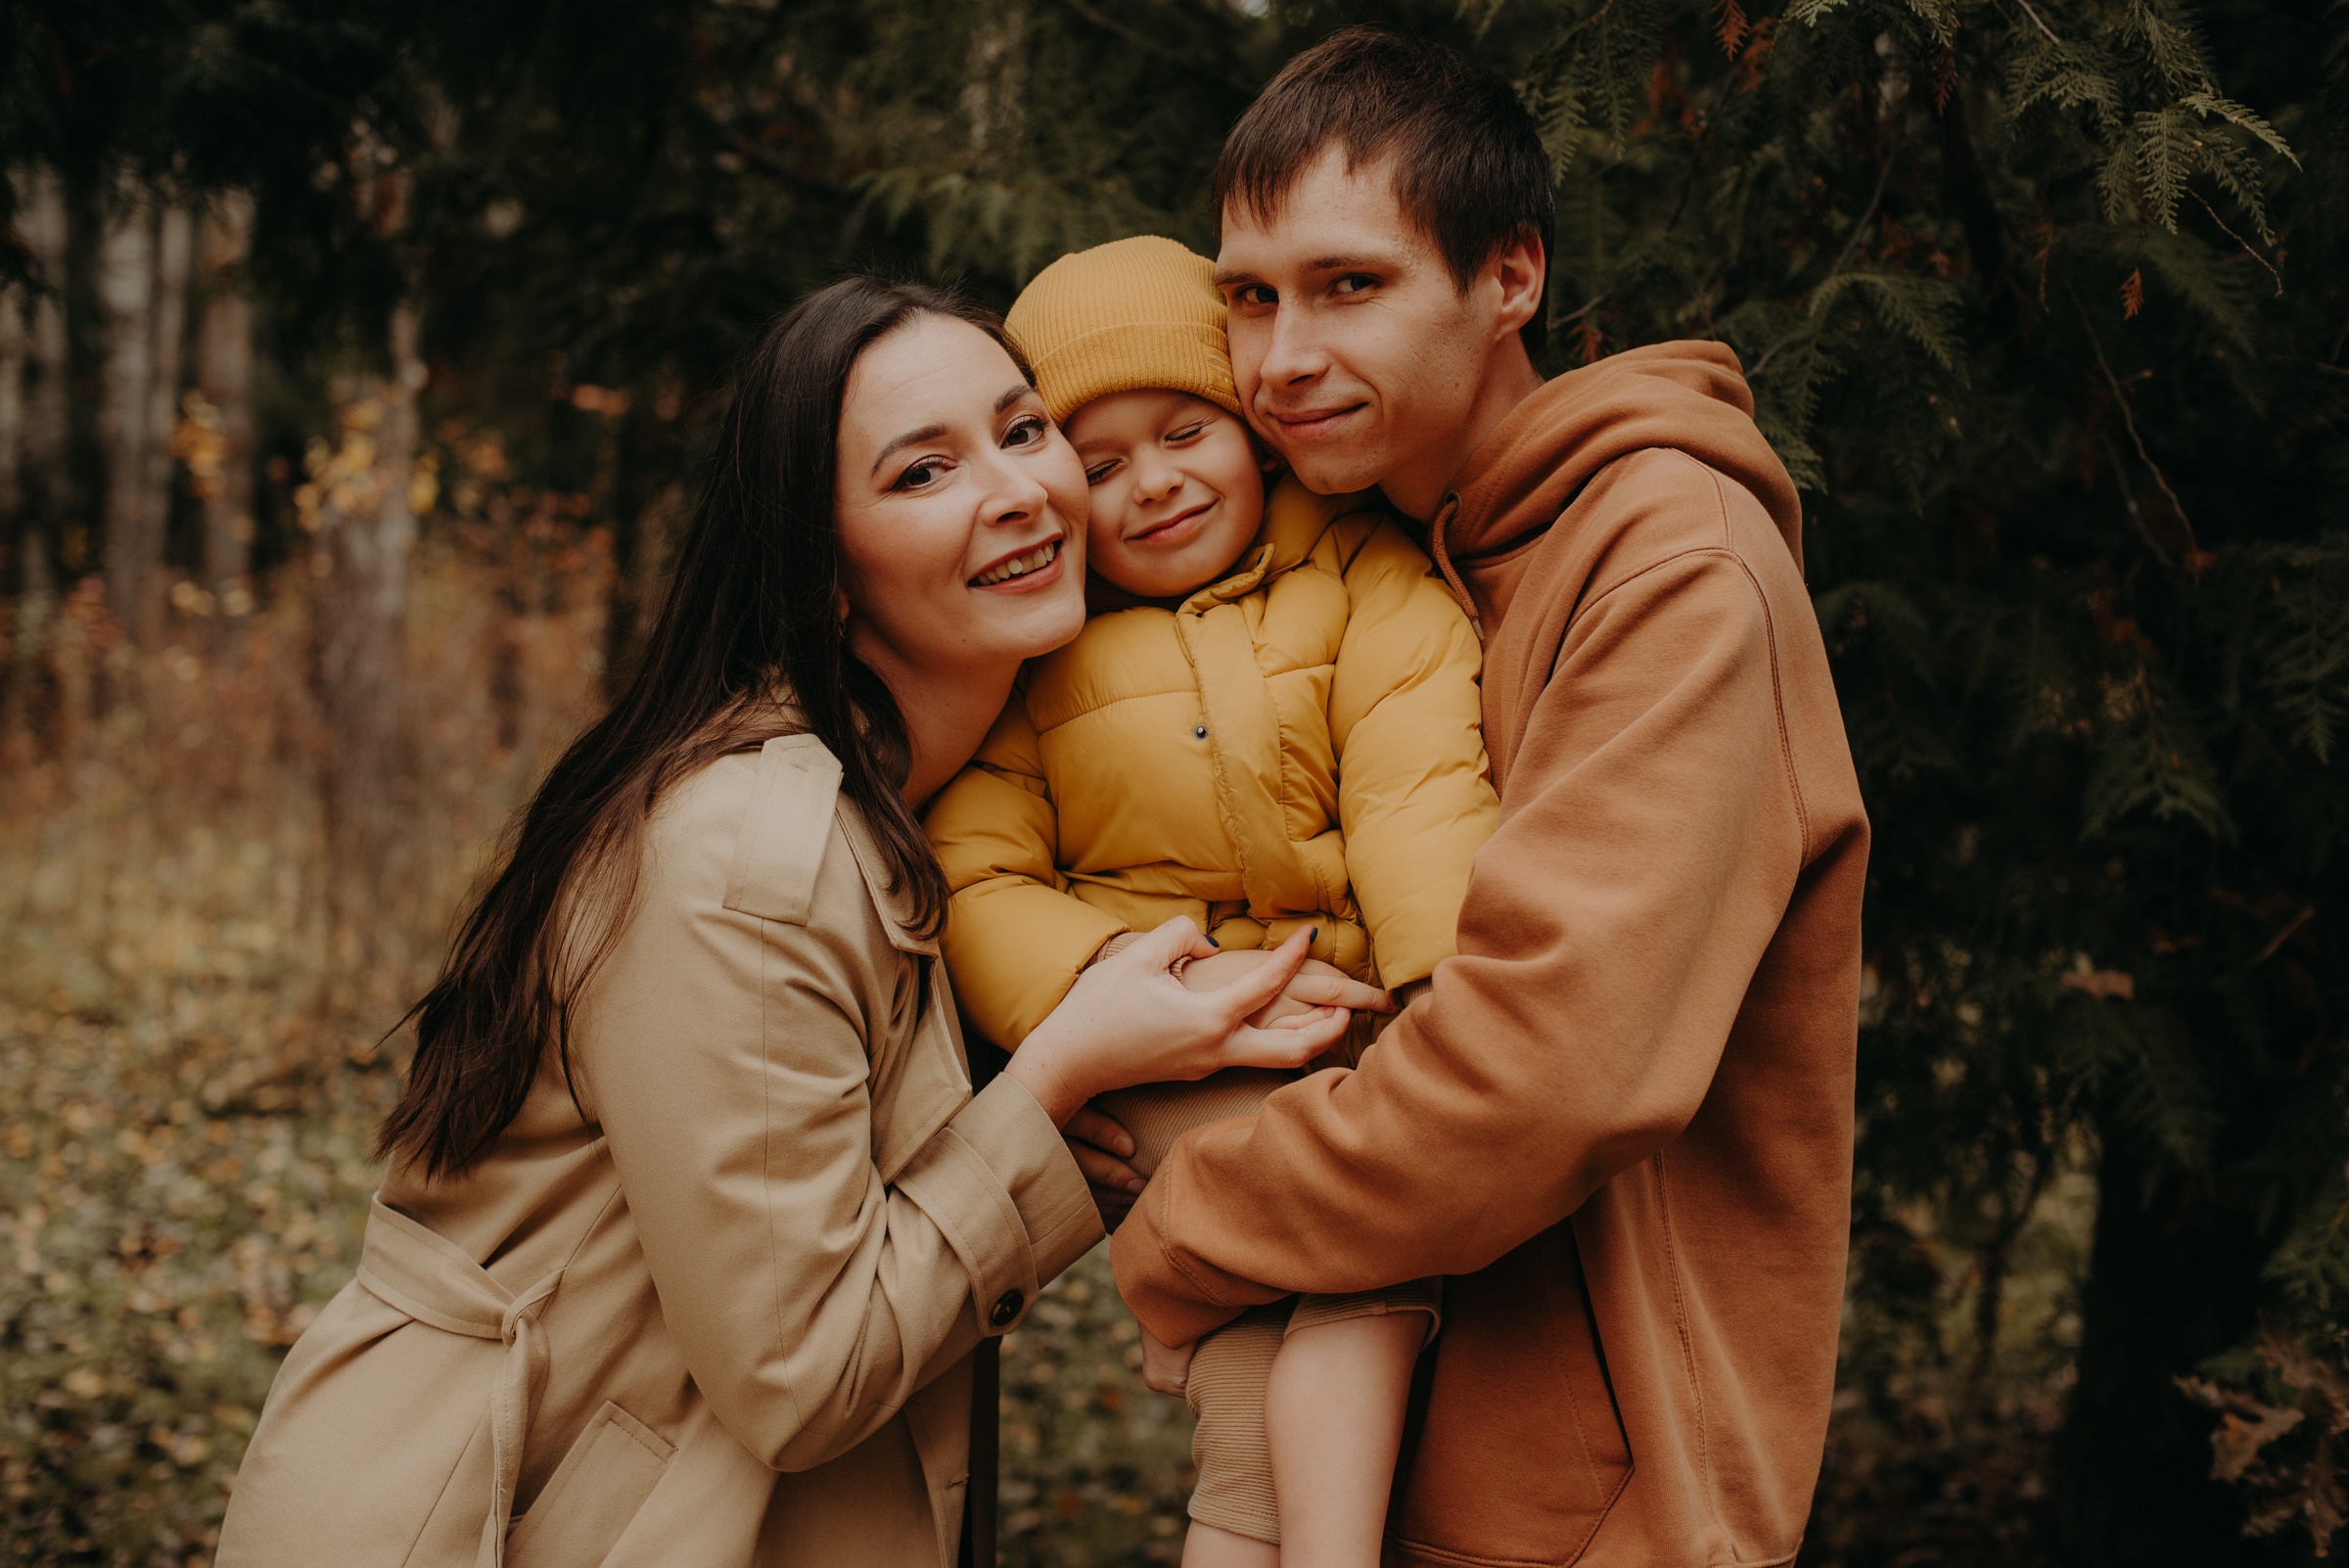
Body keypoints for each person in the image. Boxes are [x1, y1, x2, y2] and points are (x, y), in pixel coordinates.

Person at [212, 278, 1386, 1568]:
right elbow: (801, 1369)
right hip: (492, 1524)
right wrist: (1055, 1079)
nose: (1017, 490)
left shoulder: (974, 816)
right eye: (924, 471)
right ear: (822, 568)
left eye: (1024, 429)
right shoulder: (748, 858)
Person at [1096, 28, 1871, 1568]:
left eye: (1348, 285)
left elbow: (1546, 1068)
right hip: (1373, 1468)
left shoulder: (1673, 566)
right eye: (1249, 297)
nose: (1280, 359)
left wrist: (1188, 1216)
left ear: (1509, 275)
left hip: (1589, 1518)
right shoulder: (1362, 567)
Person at [923, 234, 1497, 1566]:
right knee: (1377, 1241)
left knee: (1252, 1377)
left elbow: (1418, 789)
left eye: (1186, 432)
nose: (1156, 483)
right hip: (1164, 1058)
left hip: (1349, 1035)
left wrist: (1437, 999)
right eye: (1100, 464)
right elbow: (979, 877)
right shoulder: (1042, 654)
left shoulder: (1361, 577)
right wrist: (1162, 983)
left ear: (1251, 429)